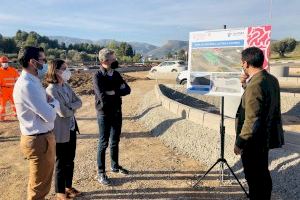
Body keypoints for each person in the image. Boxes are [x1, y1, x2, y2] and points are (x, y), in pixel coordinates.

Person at [235, 47, 285, 200]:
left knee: (254, 177)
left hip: (254, 141)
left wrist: (240, 142)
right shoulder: (270, 79)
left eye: (242, 63)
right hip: (266, 137)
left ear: (245, 63)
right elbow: (261, 102)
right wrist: (245, 85)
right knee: (262, 173)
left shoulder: (255, 85)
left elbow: (252, 118)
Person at [13, 46, 59, 200]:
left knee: (42, 183)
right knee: (38, 188)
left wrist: (49, 104)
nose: (45, 64)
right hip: (38, 140)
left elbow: (45, 106)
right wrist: (56, 104)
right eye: (43, 60)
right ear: (33, 62)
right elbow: (50, 115)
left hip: (42, 138)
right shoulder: (28, 85)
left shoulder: (33, 81)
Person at [93, 48, 131, 185]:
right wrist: (117, 91)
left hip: (117, 112)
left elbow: (127, 90)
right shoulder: (97, 76)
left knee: (115, 141)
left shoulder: (115, 74)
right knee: (103, 143)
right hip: (104, 114)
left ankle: (114, 166)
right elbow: (102, 97)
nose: (115, 60)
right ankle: (101, 172)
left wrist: (112, 92)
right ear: (104, 61)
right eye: (113, 59)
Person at [45, 59, 82, 200]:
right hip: (60, 132)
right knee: (61, 161)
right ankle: (60, 192)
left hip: (71, 128)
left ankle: (68, 186)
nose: (67, 71)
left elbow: (79, 101)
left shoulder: (66, 86)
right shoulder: (51, 90)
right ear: (56, 71)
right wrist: (72, 107)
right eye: (64, 68)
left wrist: (71, 107)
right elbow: (63, 113)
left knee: (70, 160)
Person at [0, 56, 19, 120]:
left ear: (8, 62)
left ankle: (16, 114)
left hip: (13, 90)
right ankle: (2, 117)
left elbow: (18, 80)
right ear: (1, 63)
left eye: (6, 62)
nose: (5, 63)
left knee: (15, 103)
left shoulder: (13, 70)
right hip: (3, 90)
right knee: (3, 105)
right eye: (3, 62)